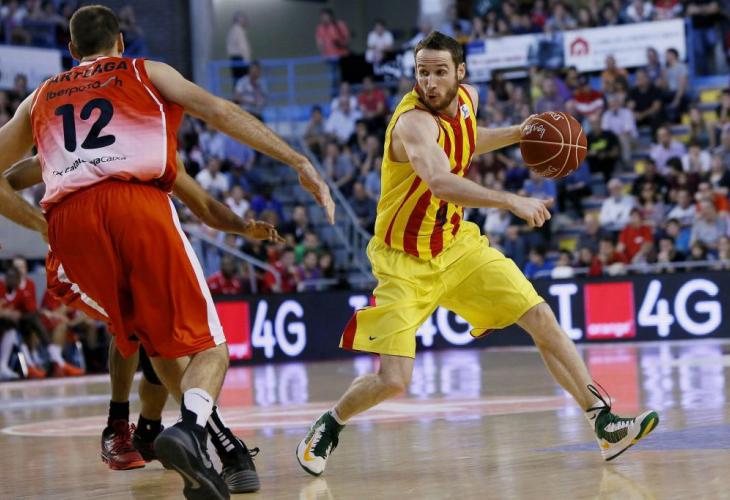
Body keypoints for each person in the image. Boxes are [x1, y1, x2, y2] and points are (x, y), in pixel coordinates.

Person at [0, 6, 334, 500]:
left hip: (71, 227)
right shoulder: (145, 76)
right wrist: (297, 159)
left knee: (146, 336)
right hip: (136, 207)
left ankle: (177, 438)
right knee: (205, 345)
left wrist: (42, 226)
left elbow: (11, 176)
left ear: (71, 51)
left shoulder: (42, 98)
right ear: (121, 43)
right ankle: (188, 432)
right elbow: (219, 112)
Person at [296, 31, 658, 477]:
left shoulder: (468, 99)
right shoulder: (412, 123)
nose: (430, 82)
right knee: (393, 380)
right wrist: (510, 200)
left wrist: (518, 133)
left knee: (539, 316)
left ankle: (604, 423)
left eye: (439, 72)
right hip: (403, 262)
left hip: (456, 244)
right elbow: (440, 181)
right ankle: (331, 422)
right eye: (422, 72)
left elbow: (469, 139)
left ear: (460, 72)